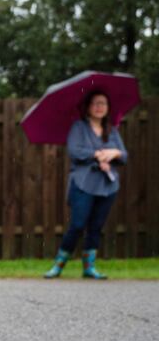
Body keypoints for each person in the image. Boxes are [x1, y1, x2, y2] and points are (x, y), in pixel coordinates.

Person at [44, 91, 128, 279]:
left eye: (103, 103)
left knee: (96, 226)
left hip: (107, 186)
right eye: (95, 103)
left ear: (108, 108)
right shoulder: (79, 127)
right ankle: (58, 265)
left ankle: (89, 268)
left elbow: (124, 155)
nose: (99, 107)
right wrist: (98, 155)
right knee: (78, 224)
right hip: (83, 184)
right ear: (88, 107)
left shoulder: (112, 130)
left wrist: (114, 153)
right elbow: (75, 152)